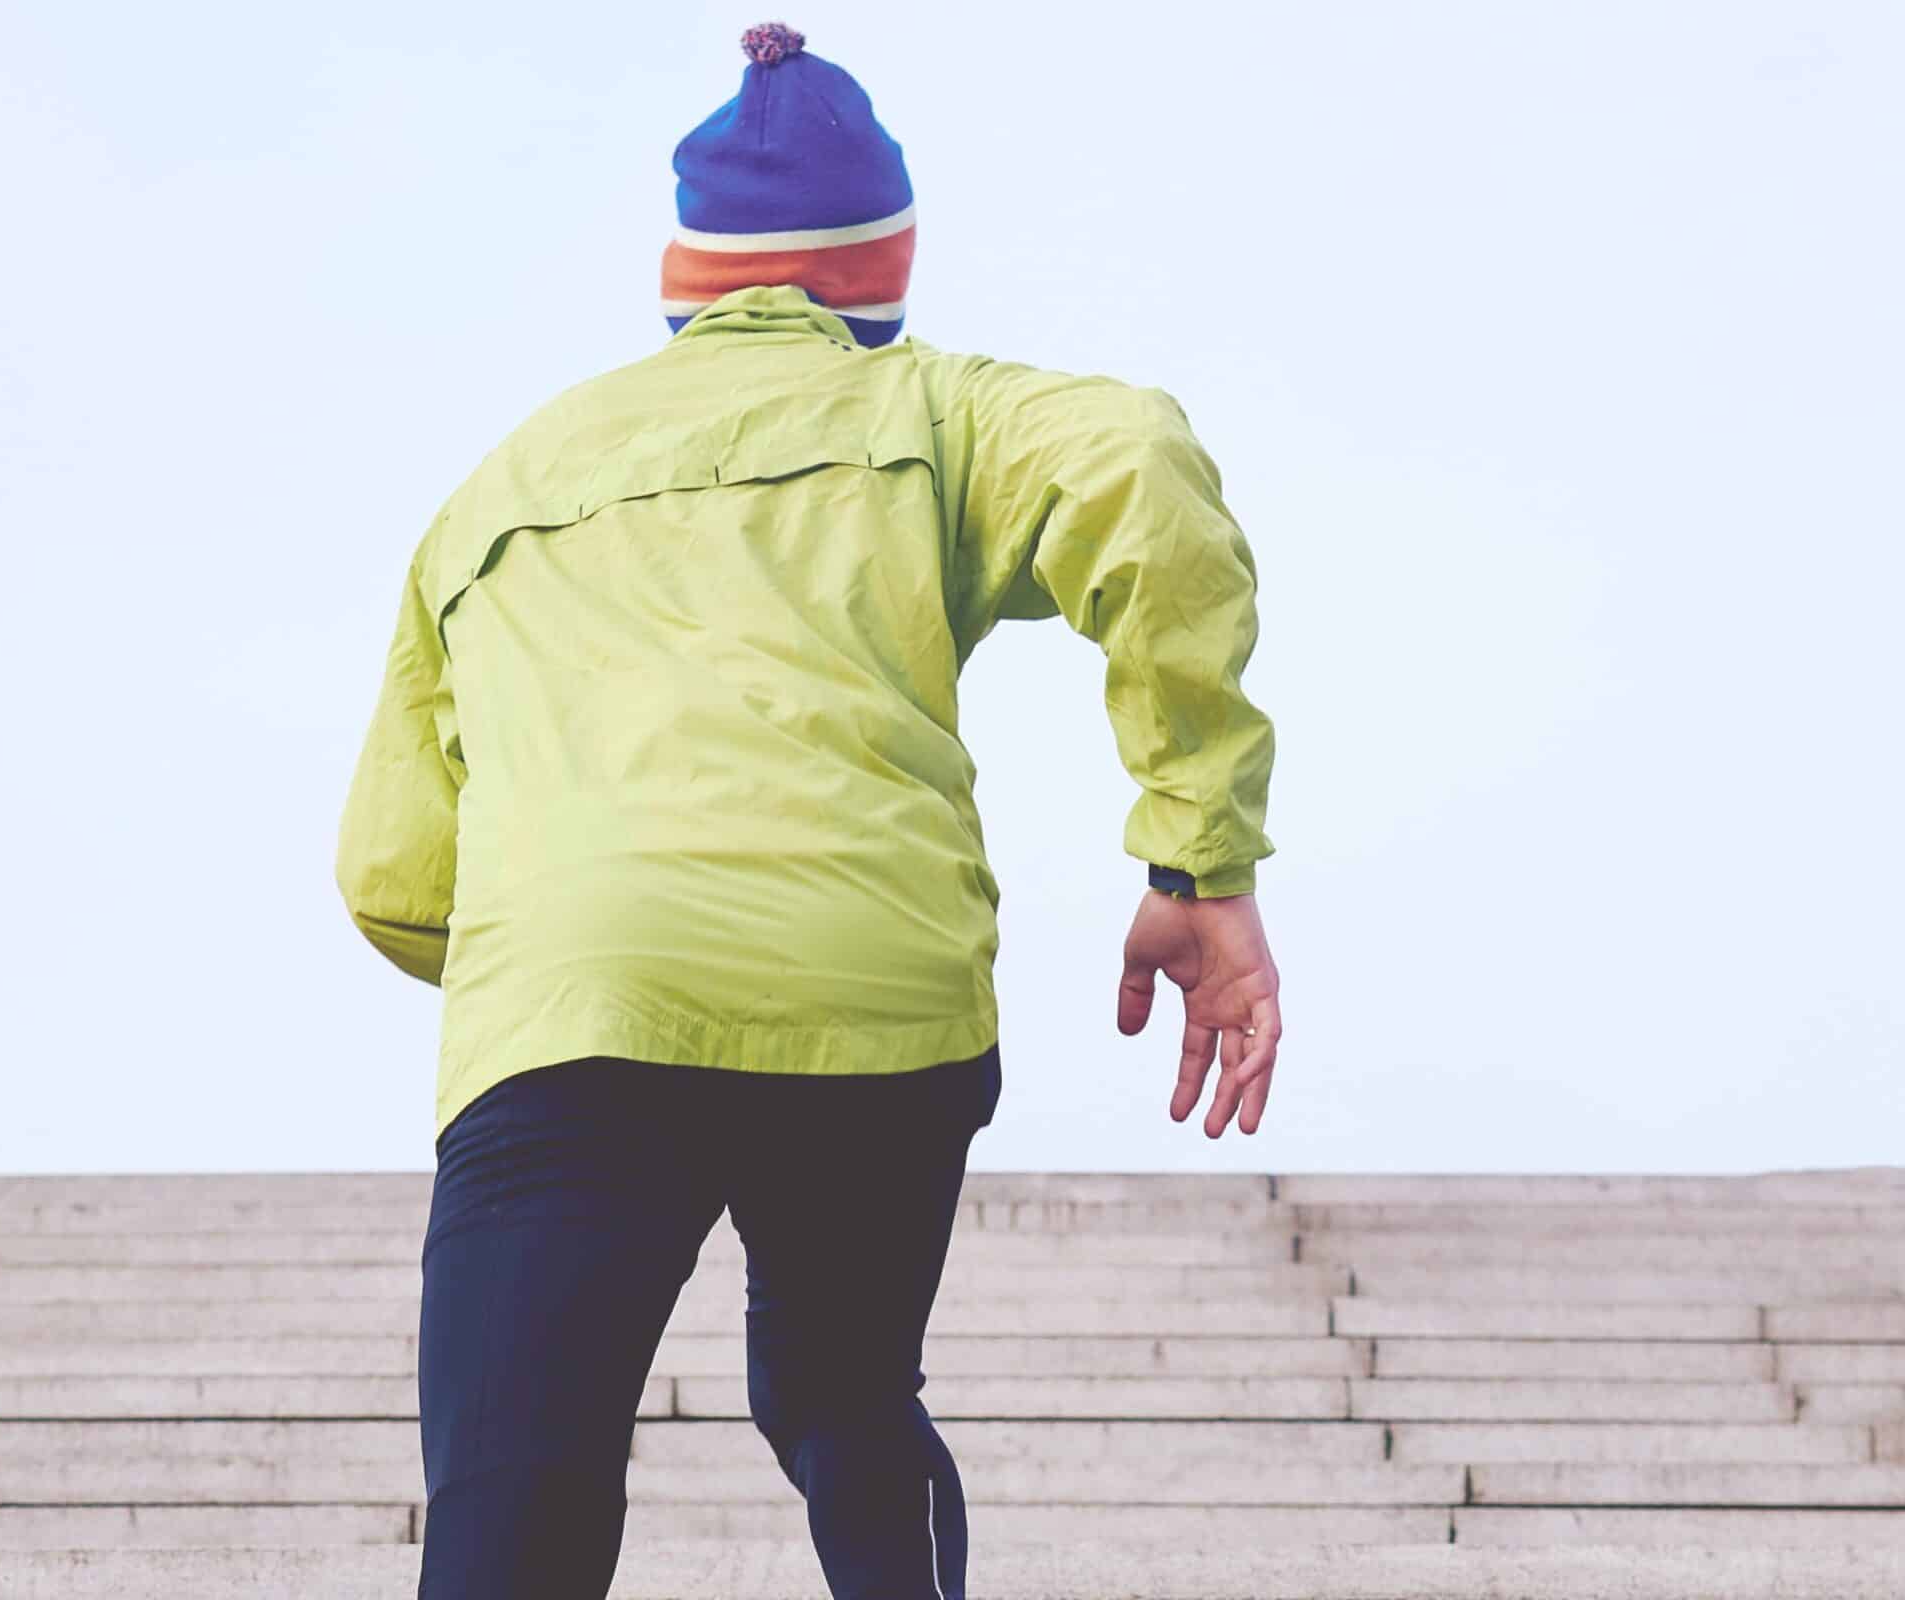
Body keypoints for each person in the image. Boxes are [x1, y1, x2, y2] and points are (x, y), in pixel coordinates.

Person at [335, 21, 1282, 1599]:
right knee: (843, 1396)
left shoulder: (497, 486)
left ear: (684, 271)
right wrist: (1200, 852)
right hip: (873, 991)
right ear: (878, 272)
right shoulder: (939, 409)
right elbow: (1136, 457)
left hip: (577, 1000)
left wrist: (583, 928)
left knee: (518, 1470)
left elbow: (393, 873)